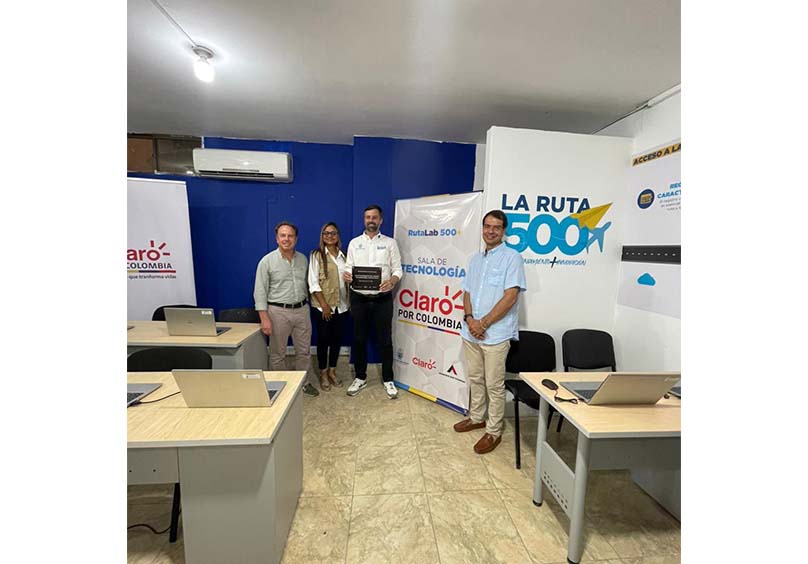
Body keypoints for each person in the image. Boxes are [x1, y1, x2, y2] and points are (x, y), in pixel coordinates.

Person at [453, 210, 526, 454]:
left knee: (494, 385)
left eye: (496, 227)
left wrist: (483, 324)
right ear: (482, 228)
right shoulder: (475, 259)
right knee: (475, 378)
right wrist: (470, 319)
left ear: (504, 230)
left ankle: (494, 431)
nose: (490, 231)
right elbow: (466, 292)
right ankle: (476, 417)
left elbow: (510, 296)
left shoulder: (512, 258)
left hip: (496, 334)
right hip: (470, 332)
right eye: (487, 226)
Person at [342, 204, 403, 399]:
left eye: (374, 217)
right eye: (368, 217)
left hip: (382, 300)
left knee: (385, 340)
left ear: (380, 220)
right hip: (359, 299)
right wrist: (347, 275)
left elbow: (398, 270)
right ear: (364, 219)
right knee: (359, 339)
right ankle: (360, 377)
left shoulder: (390, 243)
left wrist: (392, 281)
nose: (371, 220)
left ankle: (388, 379)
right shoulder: (354, 243)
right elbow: (348, 267)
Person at [254, 221, 319, 397]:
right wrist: (264, 318)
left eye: (290, 236)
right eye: (282, 235)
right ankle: (281, 386)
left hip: (302, 310)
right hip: (278, 312)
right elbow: (259, 291)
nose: (286, 239)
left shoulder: (303, 259)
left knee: (304, 352)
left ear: (296, 239)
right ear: (277, 238)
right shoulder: (267, 262)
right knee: (278, 353)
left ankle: (303, 383)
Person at [308, 221, 350, 391]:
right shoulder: (316, 255)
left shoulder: (344, 256)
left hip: (342, 306)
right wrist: (324, 305)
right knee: (324, 340)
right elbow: (313, 283)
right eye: (326, 233)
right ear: (322, 236)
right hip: (323, 307)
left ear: (338, 235)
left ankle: (332, 371)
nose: (330, 236)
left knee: (336, 340)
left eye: (333, 233)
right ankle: (323, 373)